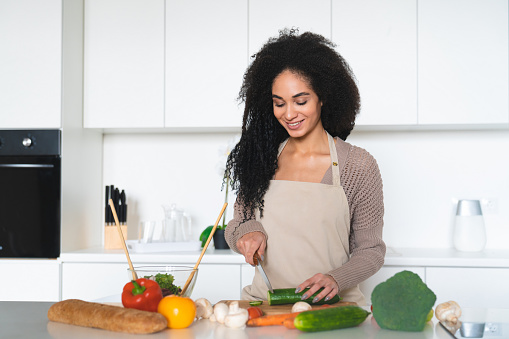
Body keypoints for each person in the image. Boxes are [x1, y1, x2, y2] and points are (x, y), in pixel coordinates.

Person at [224, 29, 385, 306]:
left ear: (322, 97)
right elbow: (236, 224)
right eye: (279, 103)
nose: (289, 114)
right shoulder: (262, 159)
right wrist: (247, 231)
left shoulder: (357, 166)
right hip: (264, 308)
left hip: (334, 313)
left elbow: (371, 250)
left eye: (301, 101)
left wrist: (337, 278)